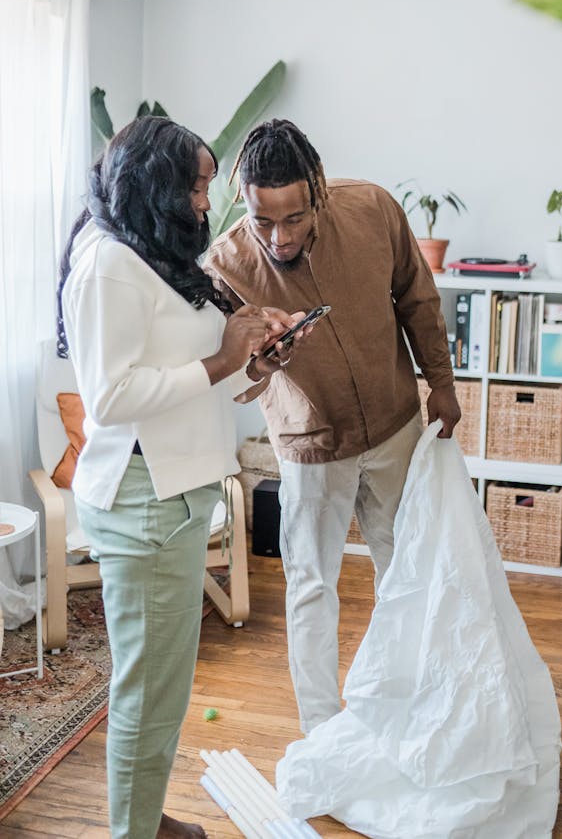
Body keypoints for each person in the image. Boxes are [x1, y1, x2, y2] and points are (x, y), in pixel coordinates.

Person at [57, 116, 303, 839]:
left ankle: (145, 815)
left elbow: (186, 377)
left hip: (174, 493)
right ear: (153, 184)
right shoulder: (107, 262)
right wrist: (225, 360)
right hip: (145, 501)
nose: (205, 202)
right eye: (195, 187)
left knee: (163, 686)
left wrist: (252, 363)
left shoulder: (151, 250)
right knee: (148, 690)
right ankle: (132, 831)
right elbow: (111, 397)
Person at [203, 117, 461, 734]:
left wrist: (443, 384)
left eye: (293, 217)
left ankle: (403, 706)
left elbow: (418, 299)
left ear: (316, 189)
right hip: (310, 448)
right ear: (243, 197)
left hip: (396, 425)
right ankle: (321, 730)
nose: (278, 236)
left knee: (405, 569)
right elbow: (237, 380)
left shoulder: (372, 207)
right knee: (311, 586)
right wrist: (264, 361)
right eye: (263, 219)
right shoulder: (225, 264)